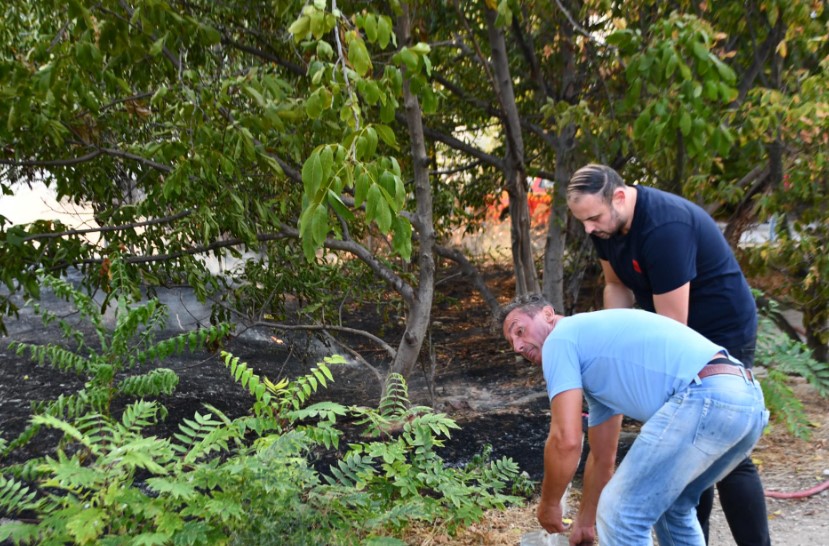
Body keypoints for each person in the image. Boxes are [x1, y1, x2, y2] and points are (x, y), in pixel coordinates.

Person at [566, 163, 770, 546]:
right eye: (583, 222)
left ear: (621, 197)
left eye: (593, 218)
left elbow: (673, 329)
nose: (589, 228)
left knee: (714, 443)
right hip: (672, 324)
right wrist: (612, 344)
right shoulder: (605, 225)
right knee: (682, 450)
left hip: (720, 328)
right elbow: (616, 286)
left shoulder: (664, 228)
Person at [498, 294, 768, 546]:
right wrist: (585, 521)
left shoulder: (560, 338)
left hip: (705, 396)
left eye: (519, 331)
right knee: (671, 507)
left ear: (547, 314)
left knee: (621, 513)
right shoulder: (596, 363)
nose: (518, 346)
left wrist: (549, 503)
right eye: (512, 344)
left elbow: (565, 440)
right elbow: (603, 458)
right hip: (746, 400)